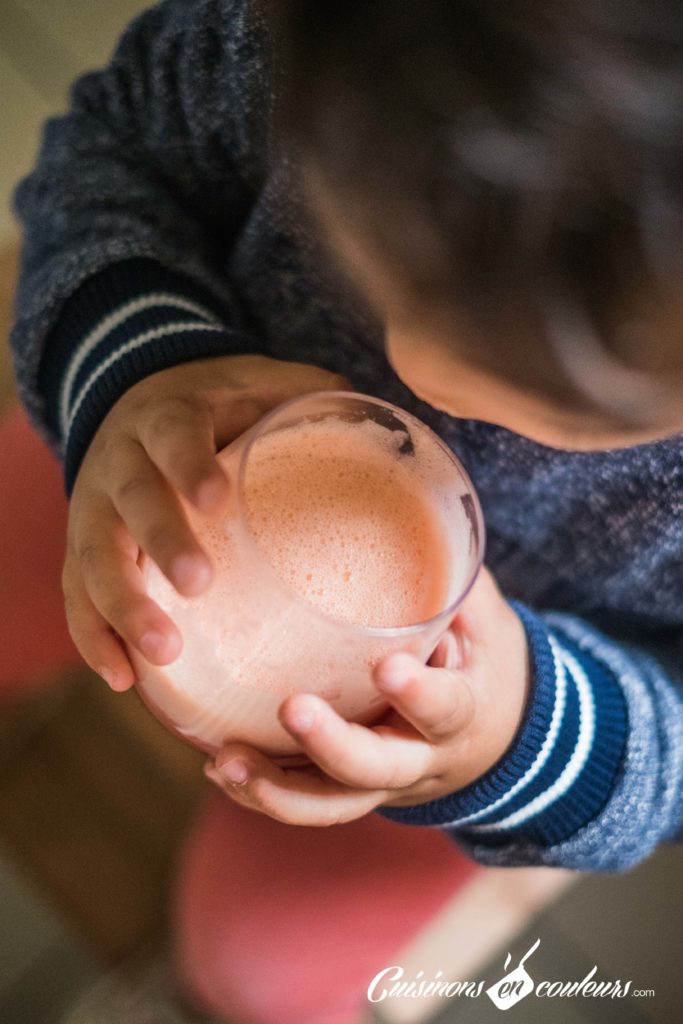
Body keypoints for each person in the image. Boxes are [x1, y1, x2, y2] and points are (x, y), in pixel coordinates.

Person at [10, 1, 682, 1021]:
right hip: (153, 441)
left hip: (447, 731)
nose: (422, 377)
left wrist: (514, 733)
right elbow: (120, 145)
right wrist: (131, 367)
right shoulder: (343, 47)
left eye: (564, 396)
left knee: (259, 975)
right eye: (385, 269)